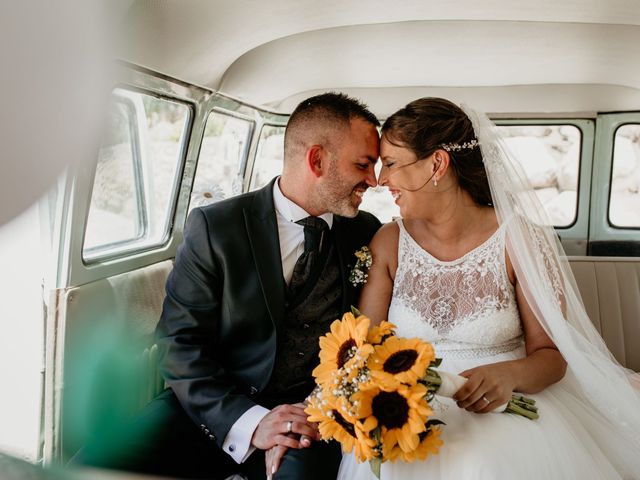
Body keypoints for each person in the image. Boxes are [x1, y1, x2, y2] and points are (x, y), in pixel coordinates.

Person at [71, 92, 381, 479]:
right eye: (364, 164)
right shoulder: (216, 227)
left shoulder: (367, 233)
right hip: (210, 405)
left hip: (308, 419)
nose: (374, 180)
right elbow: (179, 345)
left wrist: (308, 415)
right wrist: (251, 422)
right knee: (89, 467)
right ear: (316, 160)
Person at [338, 98, 640, 479]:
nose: (381, 180)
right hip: (406, 413)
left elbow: (550, 355)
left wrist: (509, 375)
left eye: (392, 163)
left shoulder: (520, 240)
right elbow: (364, 349)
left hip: (508, 408)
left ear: (437, 164)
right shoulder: (387, 242)